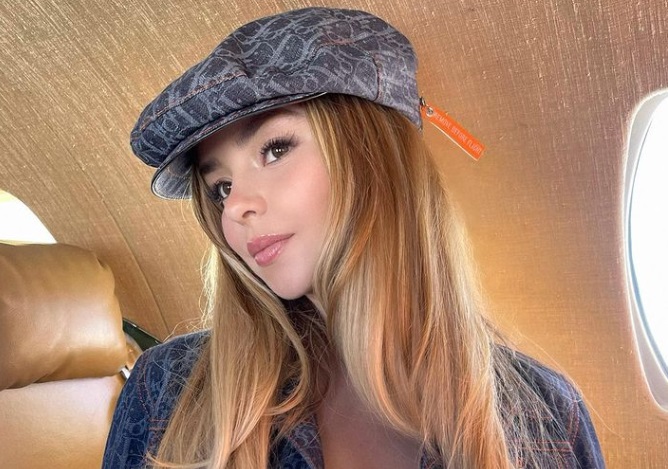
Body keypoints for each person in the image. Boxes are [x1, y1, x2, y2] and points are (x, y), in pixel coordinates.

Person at [102, 7, 605, 469]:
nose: (234, 207)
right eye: (221, 187)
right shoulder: (167, 392)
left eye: (274, 150)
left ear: (371, 154)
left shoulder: (546, 416)